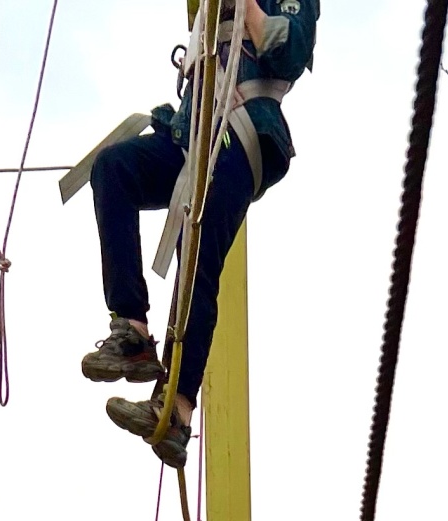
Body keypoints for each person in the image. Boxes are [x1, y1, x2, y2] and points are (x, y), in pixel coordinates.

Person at [81, 0, 319, 469]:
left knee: (200, 254)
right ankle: (132, 331)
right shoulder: (207, 14)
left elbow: (288, 53)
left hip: (244, 132)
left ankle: (179, 408)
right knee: (115, 169)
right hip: (189, 135)